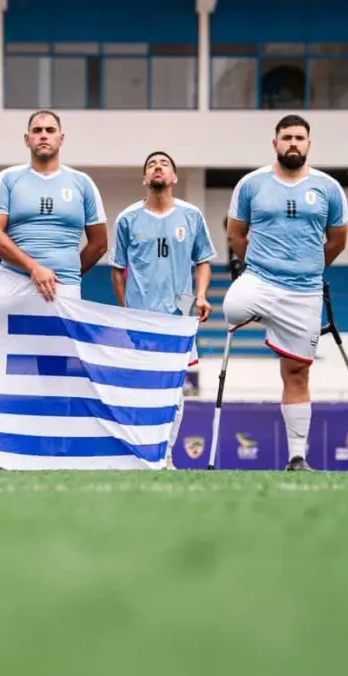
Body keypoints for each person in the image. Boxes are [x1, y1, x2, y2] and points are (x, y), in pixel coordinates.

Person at [223, 114, 348, 471]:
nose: (293, 143)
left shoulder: (328, 188)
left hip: (304, 291)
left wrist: (309, 267)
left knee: (297, 374)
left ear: (309, 144)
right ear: (275, 143)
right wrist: (258, 265)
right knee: (231, 307)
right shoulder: (251, 184)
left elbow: (337, 240)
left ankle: (297, 457)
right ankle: (264, 313)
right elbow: (236, 234)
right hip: (260, 279)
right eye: (287, 137)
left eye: (299, 138)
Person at [109, 151, 216, 468]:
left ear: (174, 177)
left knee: (173, 391)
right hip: (141, 321)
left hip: (178, 319)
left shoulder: (191, 215)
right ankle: (139, 452)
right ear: (144, 178)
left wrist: (200, 296)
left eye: (164, 164)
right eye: (151, 165)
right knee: (140, 390)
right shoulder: (128, 218)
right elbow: (117, 269)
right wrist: (127, 311)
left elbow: (204, 261)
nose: (158, 167)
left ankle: (165, 454)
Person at [0, 110, 108, 301]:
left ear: (61, 139)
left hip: (61, 283)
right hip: (12, 276)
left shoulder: (83, 183)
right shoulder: (7, 178)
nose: (43, 135)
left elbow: (99, 244)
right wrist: (34, 267)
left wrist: (67, 272)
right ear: (27, 139)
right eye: (37, 130)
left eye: (50, 130)